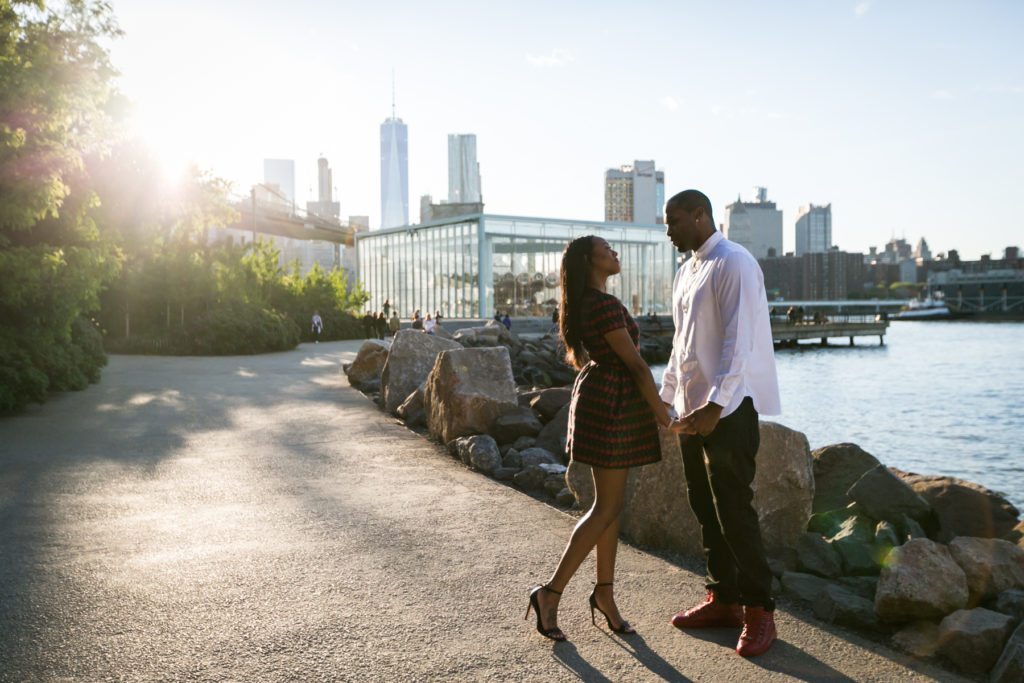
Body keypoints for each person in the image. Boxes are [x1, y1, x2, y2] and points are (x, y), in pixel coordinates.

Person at [525, 236, 674, 642]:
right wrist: (664, 414)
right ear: (590, 259)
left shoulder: (584, 303)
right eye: (608, 248)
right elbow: (638, 366)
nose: (615, 253)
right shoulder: (602, 304)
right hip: (611, 403)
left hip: (600, 398)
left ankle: (605, 594)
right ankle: (550, 593)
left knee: (608, 507)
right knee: (606, 507)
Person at [661, 189, 782, 658]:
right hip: (693, 410)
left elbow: (740, 341)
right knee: (703, 505)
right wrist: (666, 397)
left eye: (673, 221)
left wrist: (715, 405)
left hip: (728, 410)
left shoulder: (734, 262)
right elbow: (682, 345)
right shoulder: (686, 271)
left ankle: (758, 610)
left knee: (734, 508)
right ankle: (724, 598)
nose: (668, 230)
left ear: (699, 216)